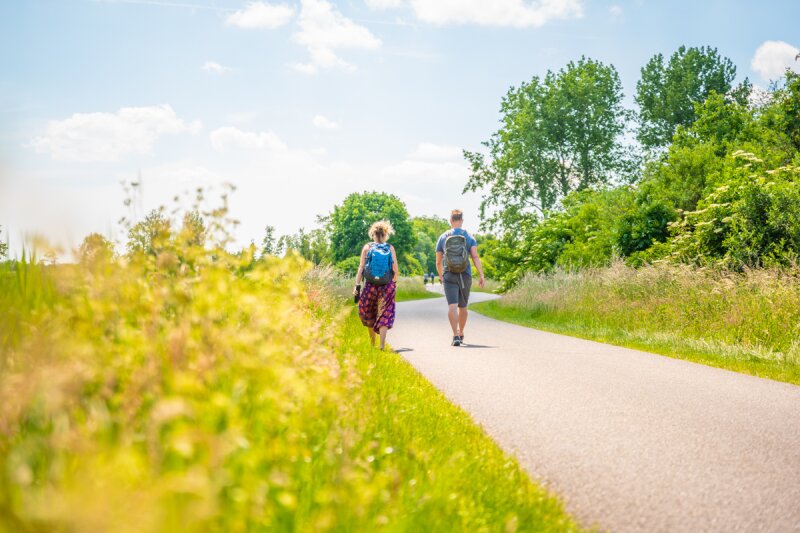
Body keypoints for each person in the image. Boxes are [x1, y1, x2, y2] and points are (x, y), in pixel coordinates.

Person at [436, 209, 485, 346]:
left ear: (451, 221)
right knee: (463, 307)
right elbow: (475, 256)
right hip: (465, 275)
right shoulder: (469, 237)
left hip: (449, 274)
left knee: (452, 306)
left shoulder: (443, 237)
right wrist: (481, 274)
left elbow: (438, 261)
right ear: (462, 221)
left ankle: (455, 335)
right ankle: (461, 332)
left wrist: (441, 277)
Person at [354, 220, 399, 350]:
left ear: (372, 234)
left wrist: (357, 285)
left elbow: (361, 267)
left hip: (370, 286)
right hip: (387, 285)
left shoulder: (367, 247)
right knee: (385, 312)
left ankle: (372, 343)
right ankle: (382, 345)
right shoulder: (390, 248)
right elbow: (395, 269)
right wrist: (393, 283)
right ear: (386, 234)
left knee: (369, 313)